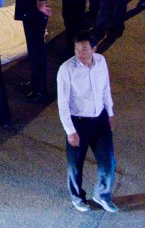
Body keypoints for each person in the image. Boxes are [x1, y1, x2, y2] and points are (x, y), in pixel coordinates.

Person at [57, 31, 119, 213]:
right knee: (75, 164)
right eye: (77, 49)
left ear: (94, 48)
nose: (80, 54)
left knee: (108, 160)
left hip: (99, 119)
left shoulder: (101, 62)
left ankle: (102, 195)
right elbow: (62, 103)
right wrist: (70, 130)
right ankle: (77, 197)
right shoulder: (67, 69)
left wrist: (110, 112)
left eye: (84, 49)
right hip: (78, 123)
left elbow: (105, 87)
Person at [15, 0, 52, 102]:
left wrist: (39, 7)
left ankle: (40, 89)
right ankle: (35, 82)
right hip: (31, 14)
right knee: (33, 50)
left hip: (33, 16)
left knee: (37, 51)